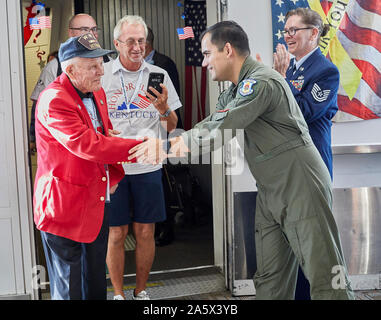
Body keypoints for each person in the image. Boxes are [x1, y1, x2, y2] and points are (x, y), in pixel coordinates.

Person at [130, 21, 354, 300]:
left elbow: (220, 130)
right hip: (271, 190)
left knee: (326, 276)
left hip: (300, 186)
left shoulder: (261, 82)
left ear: (227, 50)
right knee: (270, 279)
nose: (204, 62)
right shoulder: (237, 89)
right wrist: (169, 135)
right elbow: (213, 122)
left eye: (207, 54)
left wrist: (165, 148)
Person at [33, 33, 141, 300]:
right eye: (93, 66)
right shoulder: (54, 99)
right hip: (64, 207)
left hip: (96, 200)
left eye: (101, 64)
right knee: (71, 289)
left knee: (94, 281)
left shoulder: (97, 91)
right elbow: (87, 144)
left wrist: (111, 156)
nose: (101, 71)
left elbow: (100, 135)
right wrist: (139, 147)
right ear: (70, 69)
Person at [257, 8, 340, 299]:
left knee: (312, 246)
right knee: (292, 244)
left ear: (314, 33)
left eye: (295, 30)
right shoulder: (291, 69)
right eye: (286, 30)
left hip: (311, 168)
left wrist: (277, 81)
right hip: (287, 169)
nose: (289, 36)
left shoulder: (326, 71)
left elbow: (302, 113)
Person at [101, 15, 182, 300]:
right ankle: (119, 295)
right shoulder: (103, 75)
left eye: (142, 41)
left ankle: (141, 291)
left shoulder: (158, 74)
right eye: (131, 41)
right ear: (116, 44)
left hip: (148, 165)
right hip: (114, 168)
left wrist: (163, 108)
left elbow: (172, 126)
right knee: (116, 234)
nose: (138, 47)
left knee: (145, 232)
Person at [29, 13, 104, 155]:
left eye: (94, 29)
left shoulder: (105, 62)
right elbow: (38, 106)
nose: (91, 34)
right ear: (71, 32)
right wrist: (32, 137)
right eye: (85, 29)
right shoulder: (55, 66)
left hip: (97, 150)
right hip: (68, 149)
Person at [144, 26, 183, 246]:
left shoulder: (164, 65)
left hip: (163, 133)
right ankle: (154, 226)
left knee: (163, 182)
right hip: (144, 135)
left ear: (146, 43)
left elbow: (173, 105)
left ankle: (166, 230)